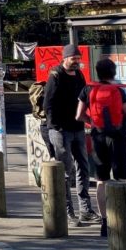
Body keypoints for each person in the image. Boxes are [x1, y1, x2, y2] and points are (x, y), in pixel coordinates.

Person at [76, 57, 126, 238]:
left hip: (98, 137)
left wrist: (92, 122)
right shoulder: (118, 91)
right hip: (118, 138)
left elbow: (78, 116)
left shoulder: (88, 89)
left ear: (97, 72)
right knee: (123, 180)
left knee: (101, 181)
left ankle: (105, 223)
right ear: (114, 72)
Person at [43, 44, 99, 225]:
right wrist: (55, 127)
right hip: (60, 130)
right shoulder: (56, 76)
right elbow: (48, 104)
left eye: (78, 58)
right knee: (65, 171)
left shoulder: (79, 75)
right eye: (73, 58)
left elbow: (85, 98)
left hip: (77, 128)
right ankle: (68, 211)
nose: (77, 62)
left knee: (83, 168)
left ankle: (86, 210)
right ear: (65, 58)